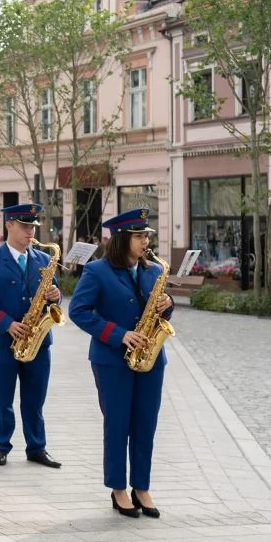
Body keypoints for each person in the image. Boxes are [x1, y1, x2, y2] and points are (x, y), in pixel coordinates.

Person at [69, 208, 173, 519]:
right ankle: (118, 489)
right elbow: (79, 311)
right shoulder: (97, 271)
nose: (146, 241)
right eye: (140, 236)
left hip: (151, 360)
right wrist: (119, 334)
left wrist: (167, 307)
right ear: (123, 239)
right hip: (112, 360)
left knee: (146, 425)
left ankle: (142, 487)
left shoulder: (154, 270)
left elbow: (158, 312)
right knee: (117, 425)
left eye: (147, 236)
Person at [0, 203, 63, 469]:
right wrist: (6, 324)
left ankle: (37, 447)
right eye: (24, 226)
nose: (30, 231)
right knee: (3, 397)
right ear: (8, 225)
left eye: (33, 226)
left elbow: (53, 297)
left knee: (35, 398)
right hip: (4, 342)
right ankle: (1, 446)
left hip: (39, 342)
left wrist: (56, 297)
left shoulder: (44, 260)